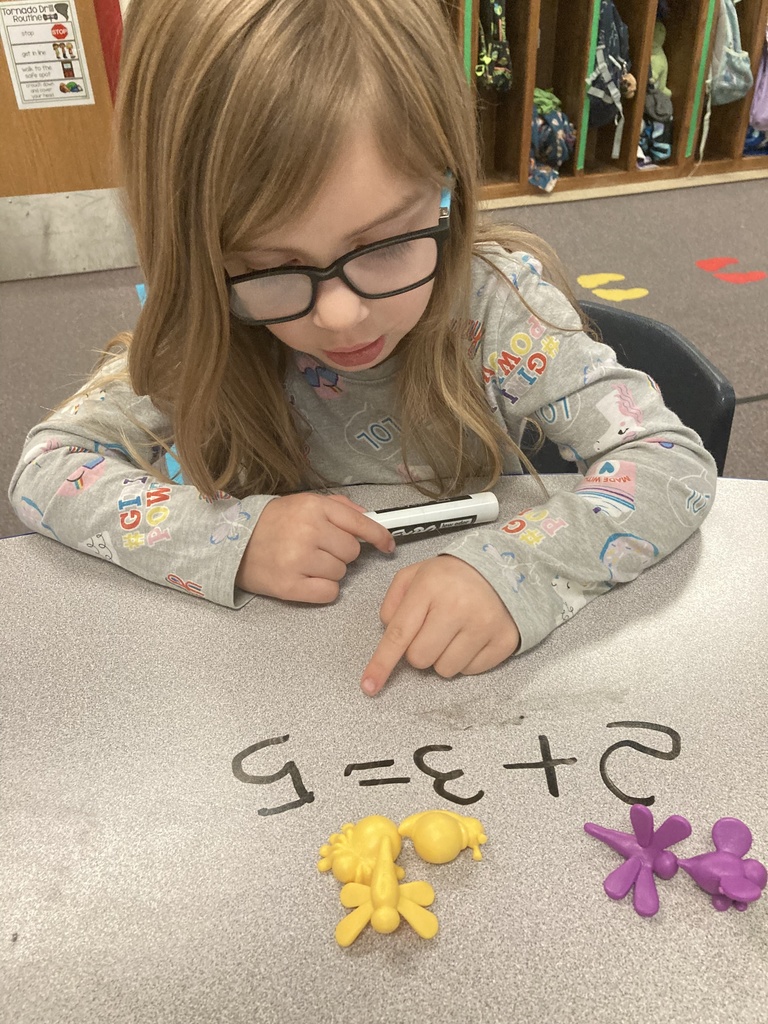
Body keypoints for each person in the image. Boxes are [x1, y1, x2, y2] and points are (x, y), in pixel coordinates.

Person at [9, 0, 716, 696]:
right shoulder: (206, 325)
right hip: (269, 687)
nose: (342, 317)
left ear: (448, 190)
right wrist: (233, 540)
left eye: (383, 245)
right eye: (268, 266)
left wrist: (523, 568)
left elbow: (670, 465)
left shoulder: (490, 303)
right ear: (200, 259)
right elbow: (44, 471)